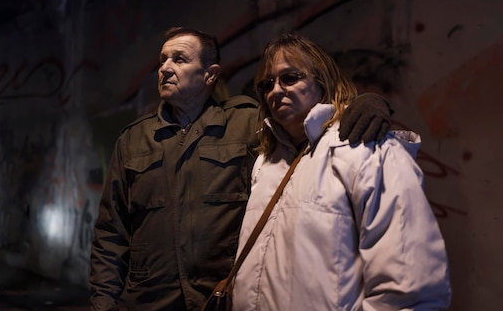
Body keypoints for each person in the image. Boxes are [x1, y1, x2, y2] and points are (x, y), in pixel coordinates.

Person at [89, 27, 393, 311]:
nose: (165, 67)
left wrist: (367, 103)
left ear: (210, 75)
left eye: (179, 59)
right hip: (150, 301)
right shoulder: (133, 140)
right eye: (163, 59)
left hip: (222, 298)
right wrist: (103, 304)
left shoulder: (246, 124)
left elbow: (304, 122)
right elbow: (111, 233)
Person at [232, 33, 452, 311]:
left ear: (321, 84)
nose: (276, 90)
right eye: (267, 84)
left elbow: (410, 286)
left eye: (290, 78)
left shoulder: (366, 148)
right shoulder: (266, 163)